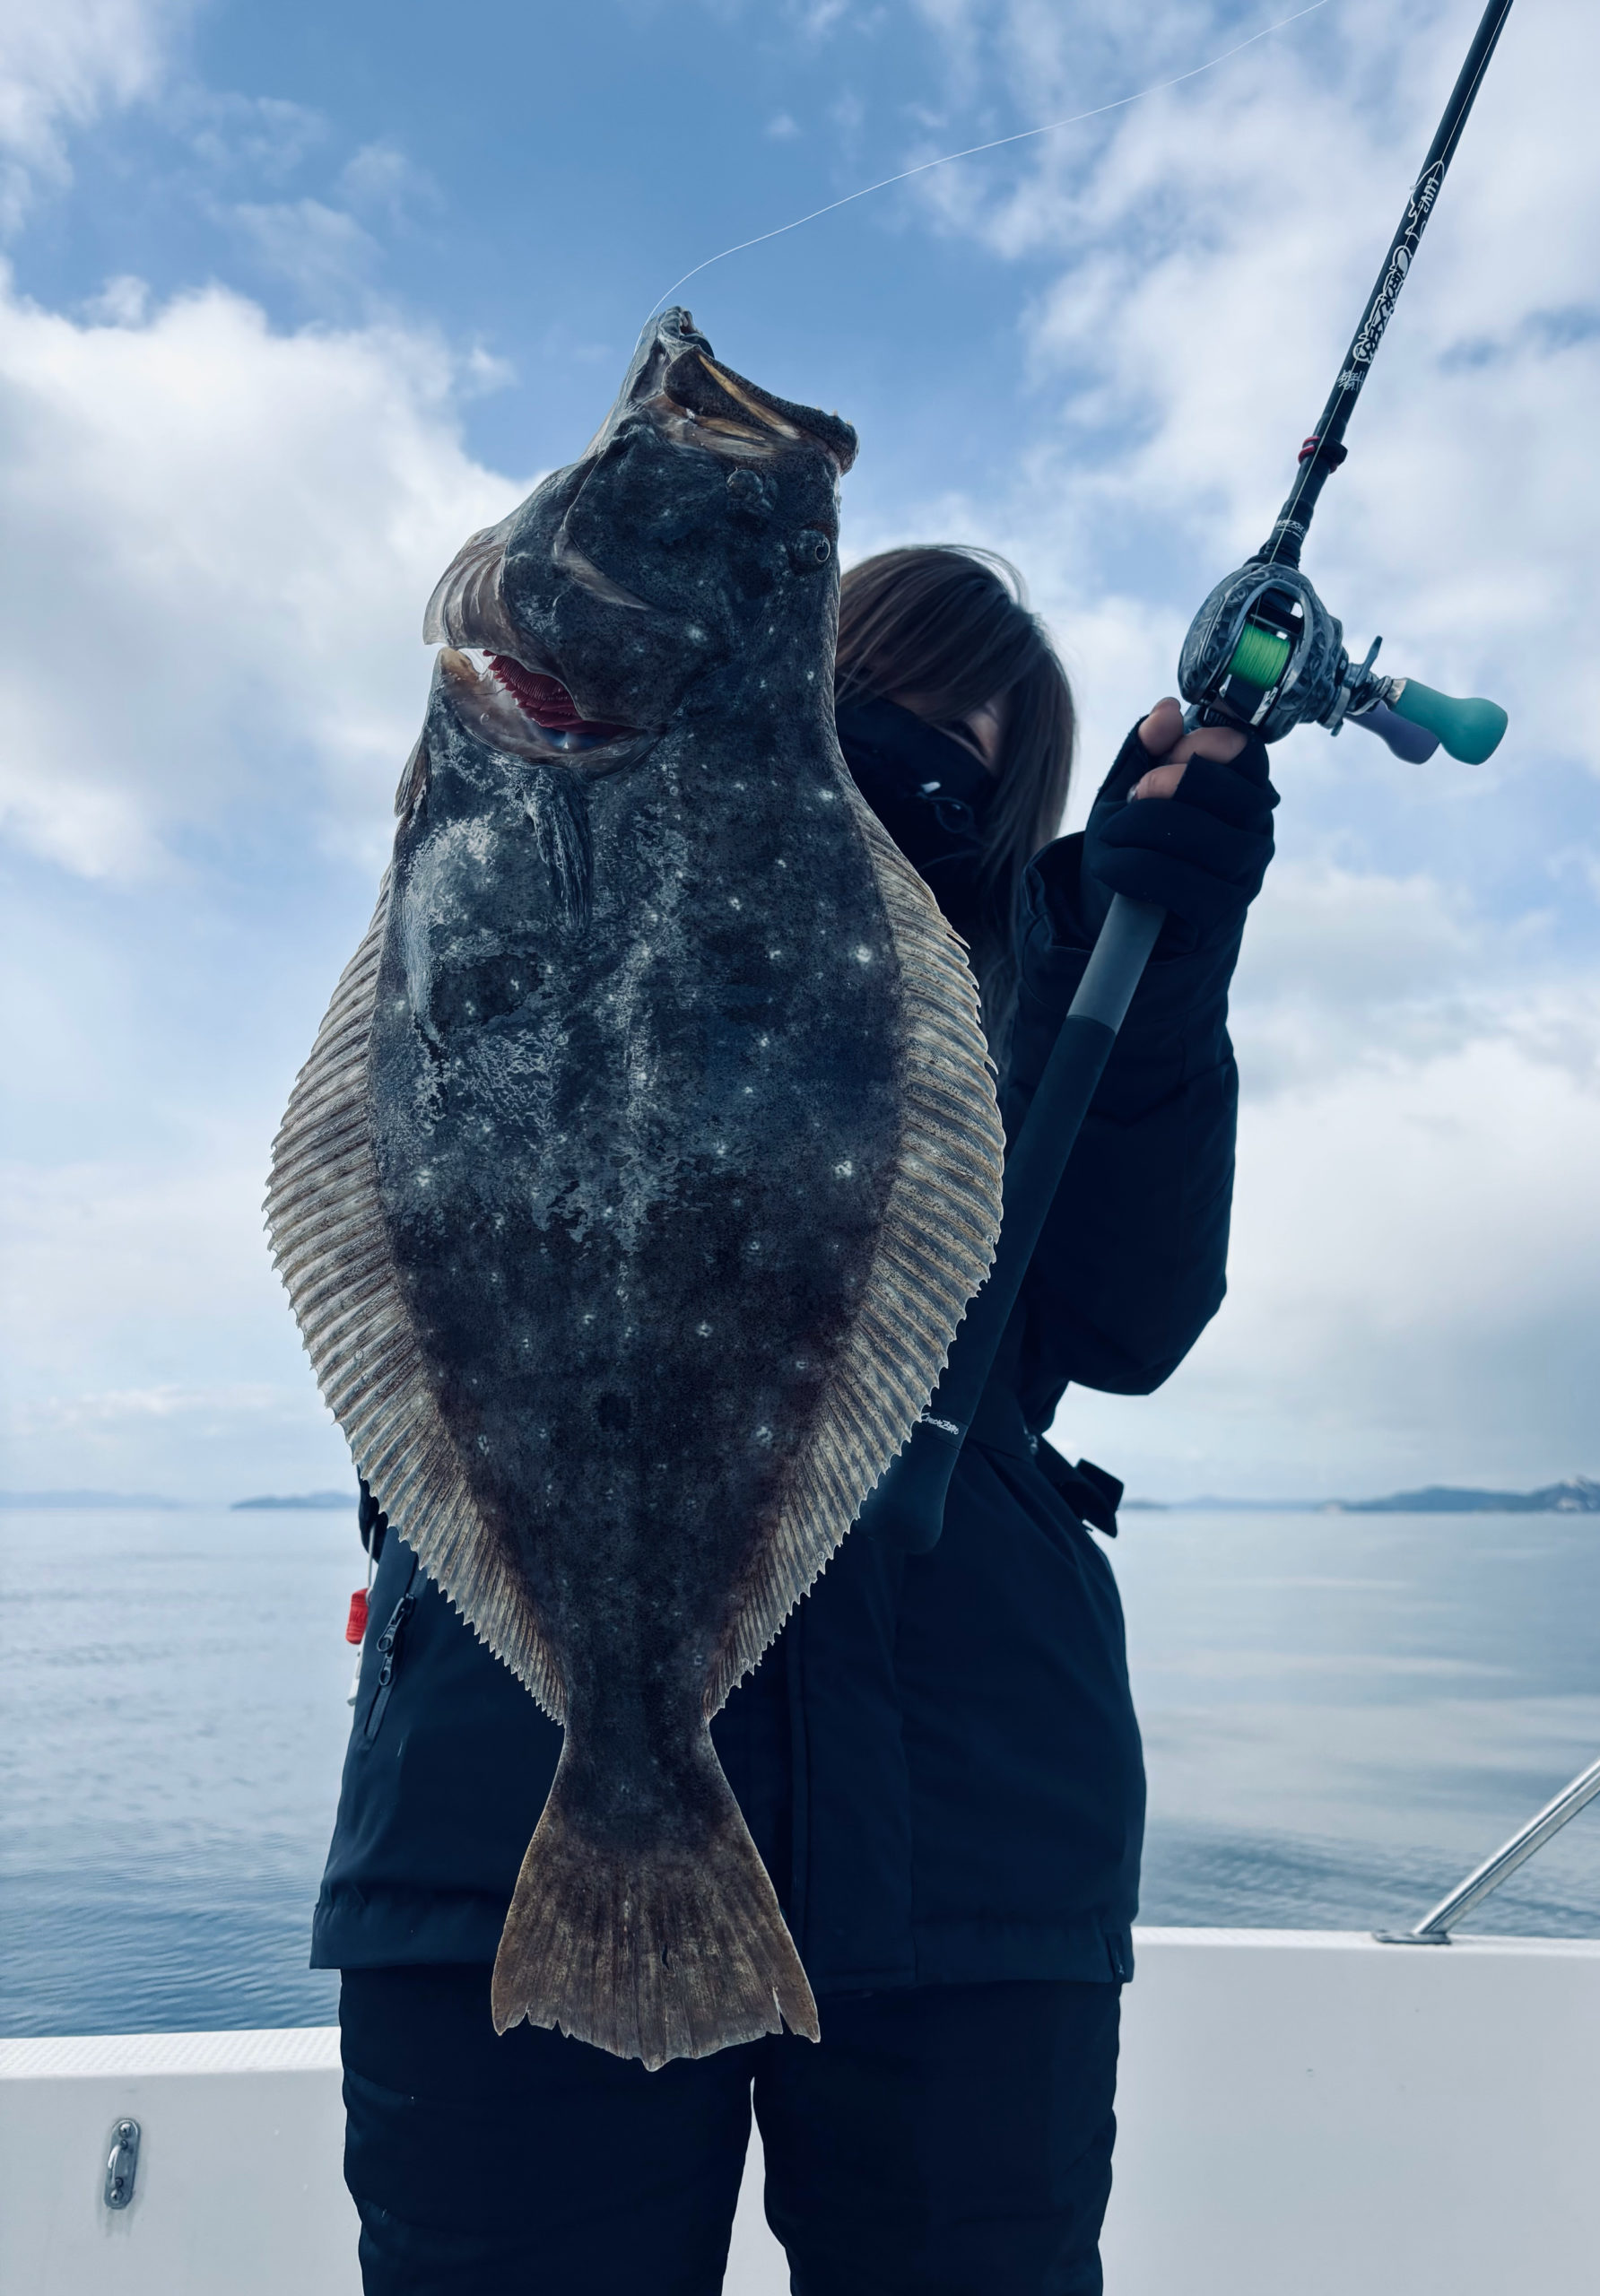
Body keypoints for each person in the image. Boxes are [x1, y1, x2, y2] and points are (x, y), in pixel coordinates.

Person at [317, 544, 1275, 2295]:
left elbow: (1123, 1324)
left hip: (963, 1819)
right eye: (883, 716)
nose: (927, 780)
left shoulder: (1059, 971)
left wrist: (1161, 968)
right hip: (520, 1804)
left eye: (975, 767)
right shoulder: (564, 872)